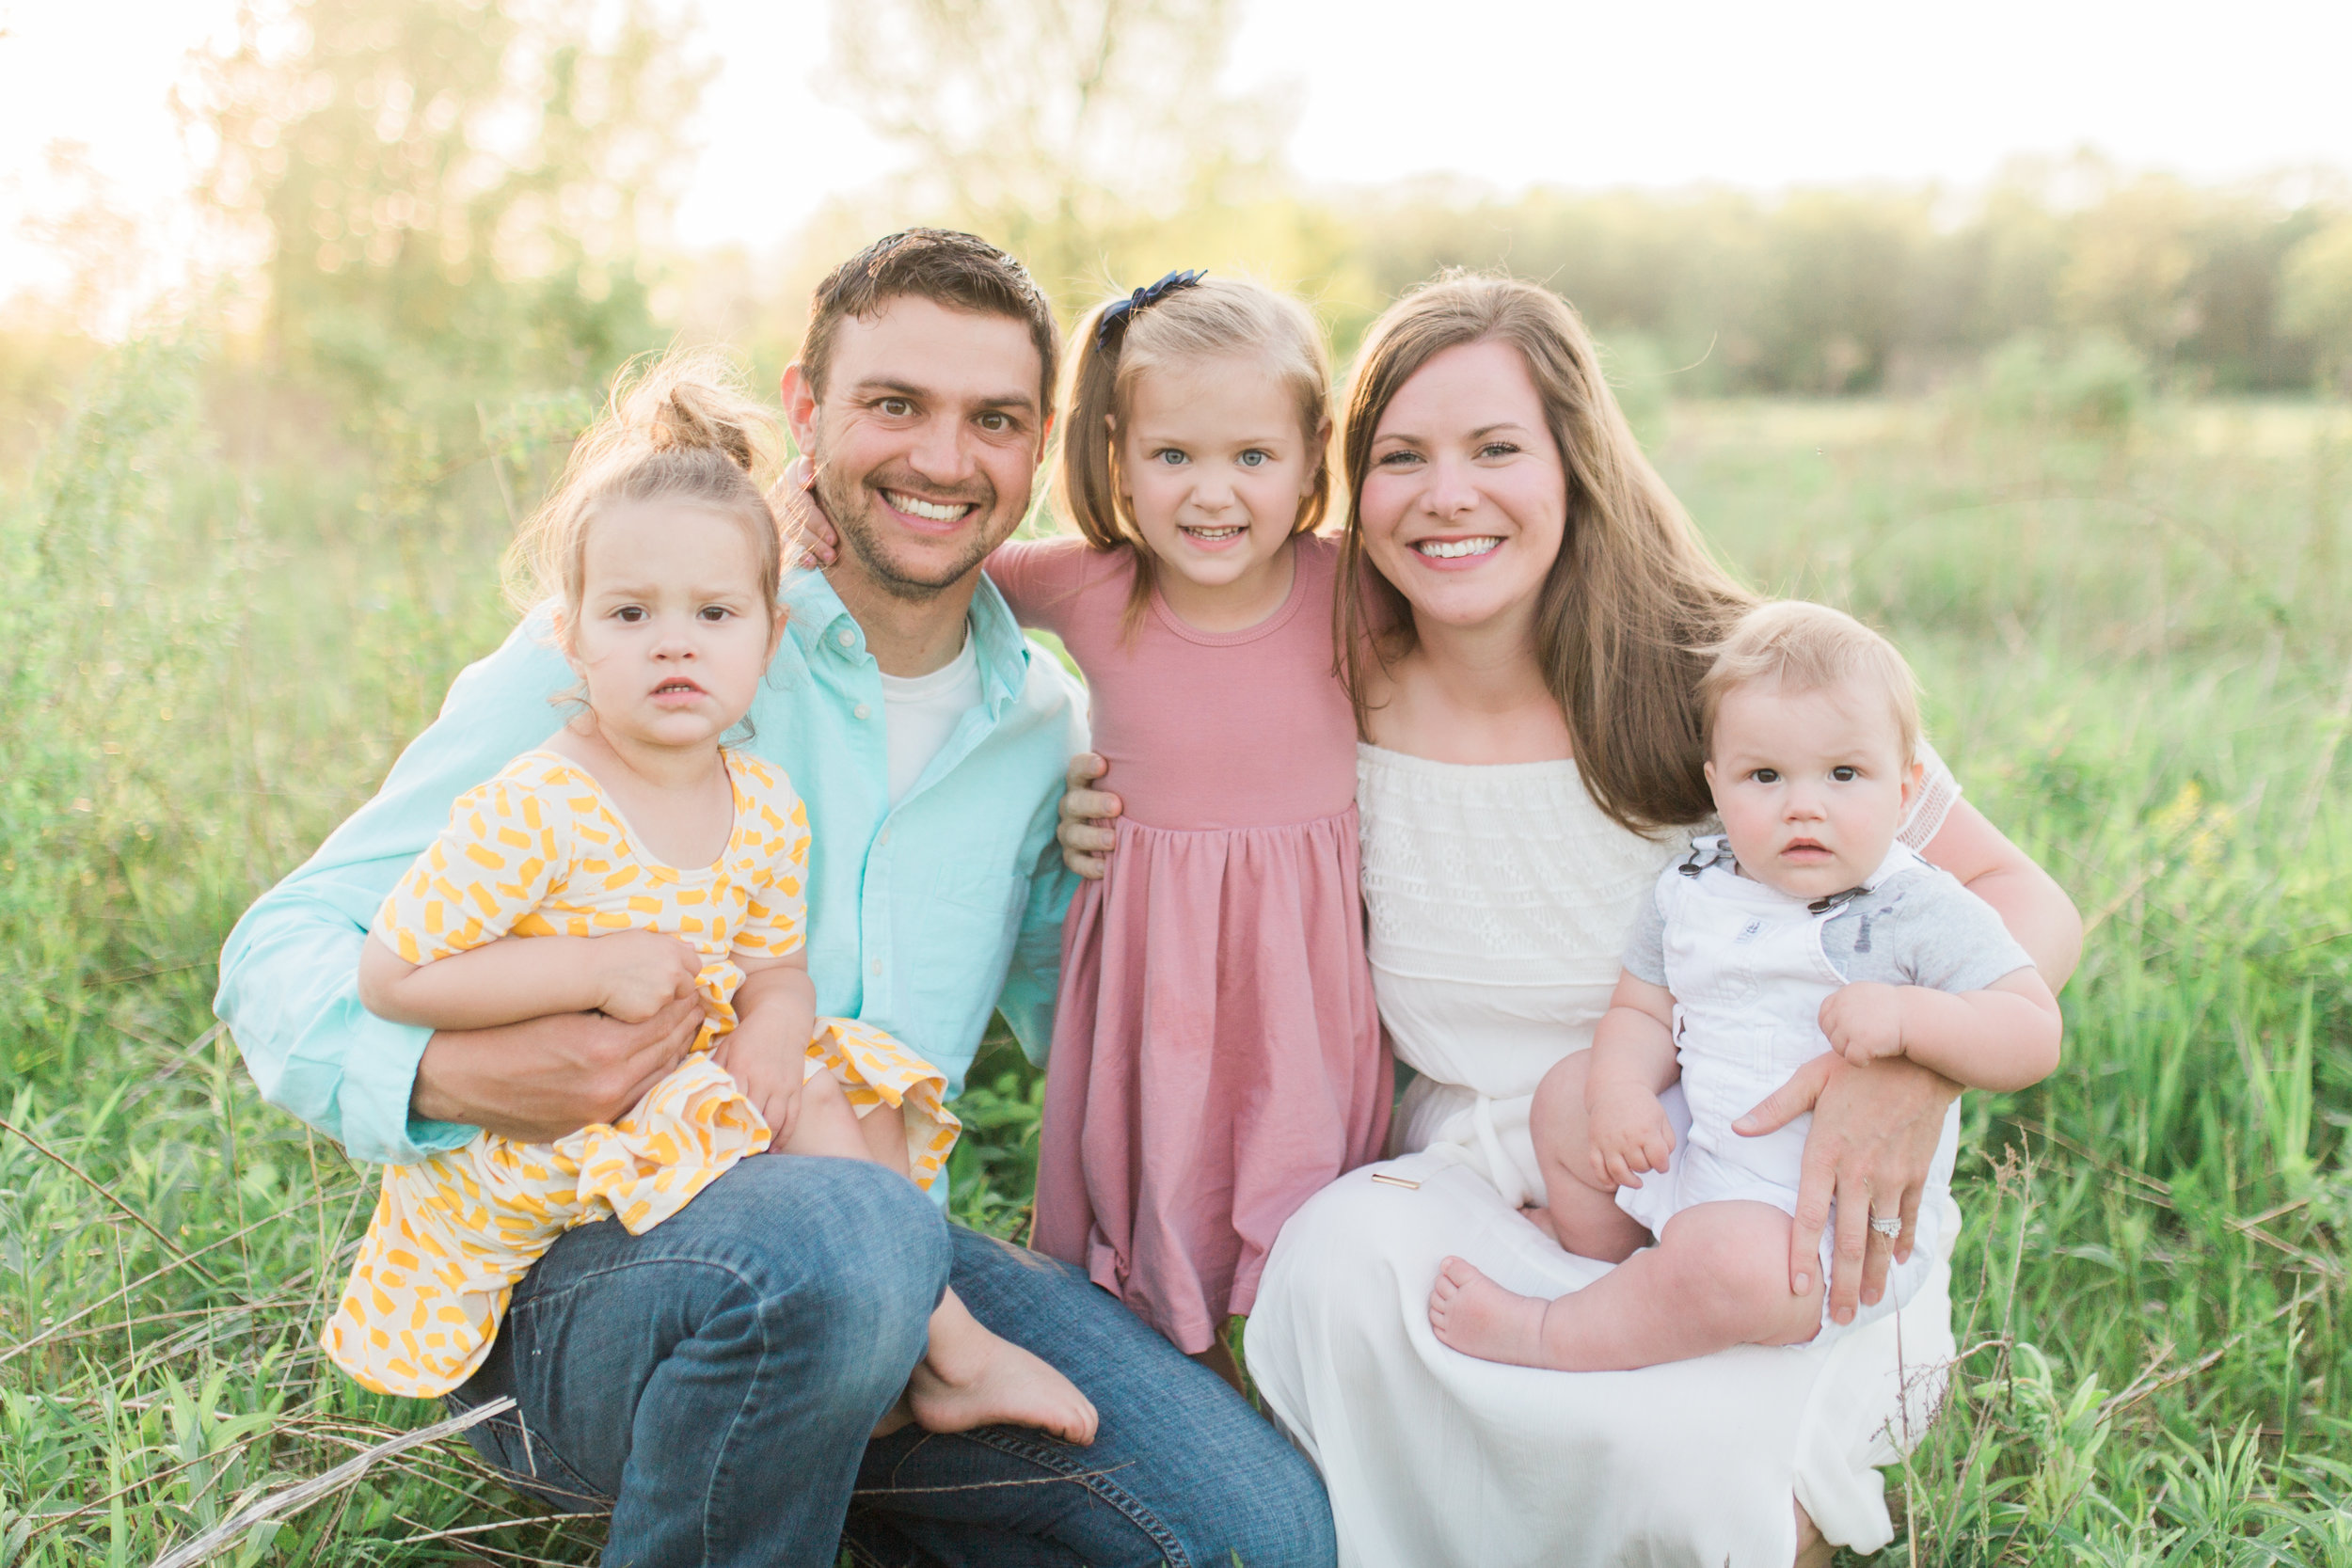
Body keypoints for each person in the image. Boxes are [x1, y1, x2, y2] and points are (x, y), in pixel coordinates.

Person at [215, 229, 1335, 1568]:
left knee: (1259, 1533)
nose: (940, 455)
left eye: (992, 419)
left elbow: (1094, 1020)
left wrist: (1165, 860)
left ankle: (844, 1477)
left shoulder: (1040, 725)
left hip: (886, 1272)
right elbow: (282, 947)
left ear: (1040, 450)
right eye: (894, 404)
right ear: (806, 406)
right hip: (592, 1278)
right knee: (848, 1237)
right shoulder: (651, 642)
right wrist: (455, 1071)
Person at [1055, 273, 2083, 1565]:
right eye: (1401, 456)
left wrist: (1914, 1060)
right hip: (1494, 1180)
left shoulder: (1720, 680)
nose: (1448, 495)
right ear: (1348, 487)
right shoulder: (1328, 680)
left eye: (1496, 448)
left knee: (1678, 1457)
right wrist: (1087, 814)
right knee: (1326, 1269)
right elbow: (1173, 755)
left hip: (1750, 1193)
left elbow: (2023, 898)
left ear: (1575, 462)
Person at [328, 349, 1095, 1445]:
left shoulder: (769, 800)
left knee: (842, 1093)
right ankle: (944, 1351)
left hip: (714, 1115)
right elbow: (393, 971)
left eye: (713, 616)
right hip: (577, 1165)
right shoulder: (534, 801)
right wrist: (589, 970)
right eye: (633, 615)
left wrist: (780, 1026)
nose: (675, 641)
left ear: (765, 633)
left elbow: (776, 960)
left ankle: (891, 1365)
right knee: (826, 1189)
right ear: (572, 634)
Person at [794, 270, 1386, 1386]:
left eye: (1252, 457)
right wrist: (791, 493)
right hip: (1153, 970)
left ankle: (1300, 1390)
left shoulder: (1350, 583)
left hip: (1297, 969)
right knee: (1153, 1177)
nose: (1212, 495)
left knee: (1303, 1189)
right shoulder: (1096, 585)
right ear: (1114, 454)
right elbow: (924, 550)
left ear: (1315, 453)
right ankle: (1178, 1374)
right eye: (1172, 457)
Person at [1425, 599, 2062, 1371]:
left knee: (1727, 1262)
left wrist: (1912, 1020)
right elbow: (1642, 1010)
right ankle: (1612, 1269)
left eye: (1844, 774)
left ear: (1905, 789)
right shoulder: (1695, 885)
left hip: (1816, 1233)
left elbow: (2033, 1030)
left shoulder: (1918, 906)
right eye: (1764, 775)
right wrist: (1622, 1091)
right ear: (1716, 786)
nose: (1804, 803)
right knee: (1569, 1093)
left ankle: (1551, 1332)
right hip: (1703, 1155)